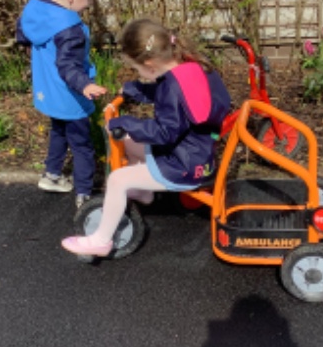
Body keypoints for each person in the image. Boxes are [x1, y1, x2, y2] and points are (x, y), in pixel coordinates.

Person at [62, 18, 232, 257]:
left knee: (117, 180)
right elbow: (167, 94)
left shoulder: (172, 87)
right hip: (194, 151)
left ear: (149, 65)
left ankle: (101, 241)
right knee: (128, 144)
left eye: (137, 69)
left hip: (184, 165)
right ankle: (143, 192)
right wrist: (135, 89)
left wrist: (125, 123)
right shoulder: (188, 67)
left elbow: (164, 131)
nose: (138, 73)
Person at [16, 0, 108, 208]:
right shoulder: (70, 29)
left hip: (48, 91)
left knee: (59, 131)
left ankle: (52, 175)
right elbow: (68, 65)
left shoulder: (38, 9)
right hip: (69, 96)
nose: (89, 4)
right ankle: (85, 194)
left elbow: (22, 31)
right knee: (82, 145)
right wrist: (85, 85)